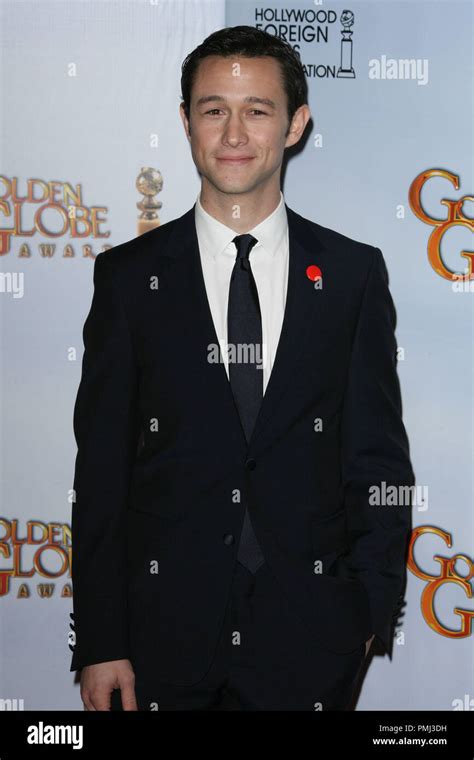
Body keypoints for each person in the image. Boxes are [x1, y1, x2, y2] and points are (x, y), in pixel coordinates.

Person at [70, 25, 415, 711]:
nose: (233, 133)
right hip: (160, 642)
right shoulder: (129, 279)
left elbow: (378, 459)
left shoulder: (351, 275)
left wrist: (367, 610)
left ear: (295, 125)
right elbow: (101, 471)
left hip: (311, 643)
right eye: (213, 109)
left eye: (257, 110)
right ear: (186, 123)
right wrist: (102, 639)